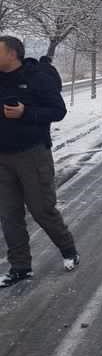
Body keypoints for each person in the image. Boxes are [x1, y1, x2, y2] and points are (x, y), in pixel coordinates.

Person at [0, 35, 78, 288]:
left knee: (41, 208)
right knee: (9, 215)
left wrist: (26, 113)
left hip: (32, 154)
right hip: (2, 157)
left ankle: (68, 250)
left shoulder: (37, 77)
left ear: (12, 54)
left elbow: (58, 110)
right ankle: (20, 267)